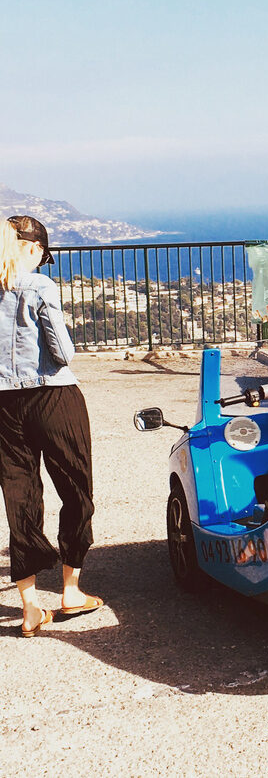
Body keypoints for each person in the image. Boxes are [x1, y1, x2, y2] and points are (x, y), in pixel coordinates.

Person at [0, 215, 102, 637]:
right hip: (53, 396)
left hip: (4, 404)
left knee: (20, 496)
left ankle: (29, 606)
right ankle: (71, 592)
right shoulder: (39, 285)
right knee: (75, 489)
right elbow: (63, 353)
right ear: (34, 248)